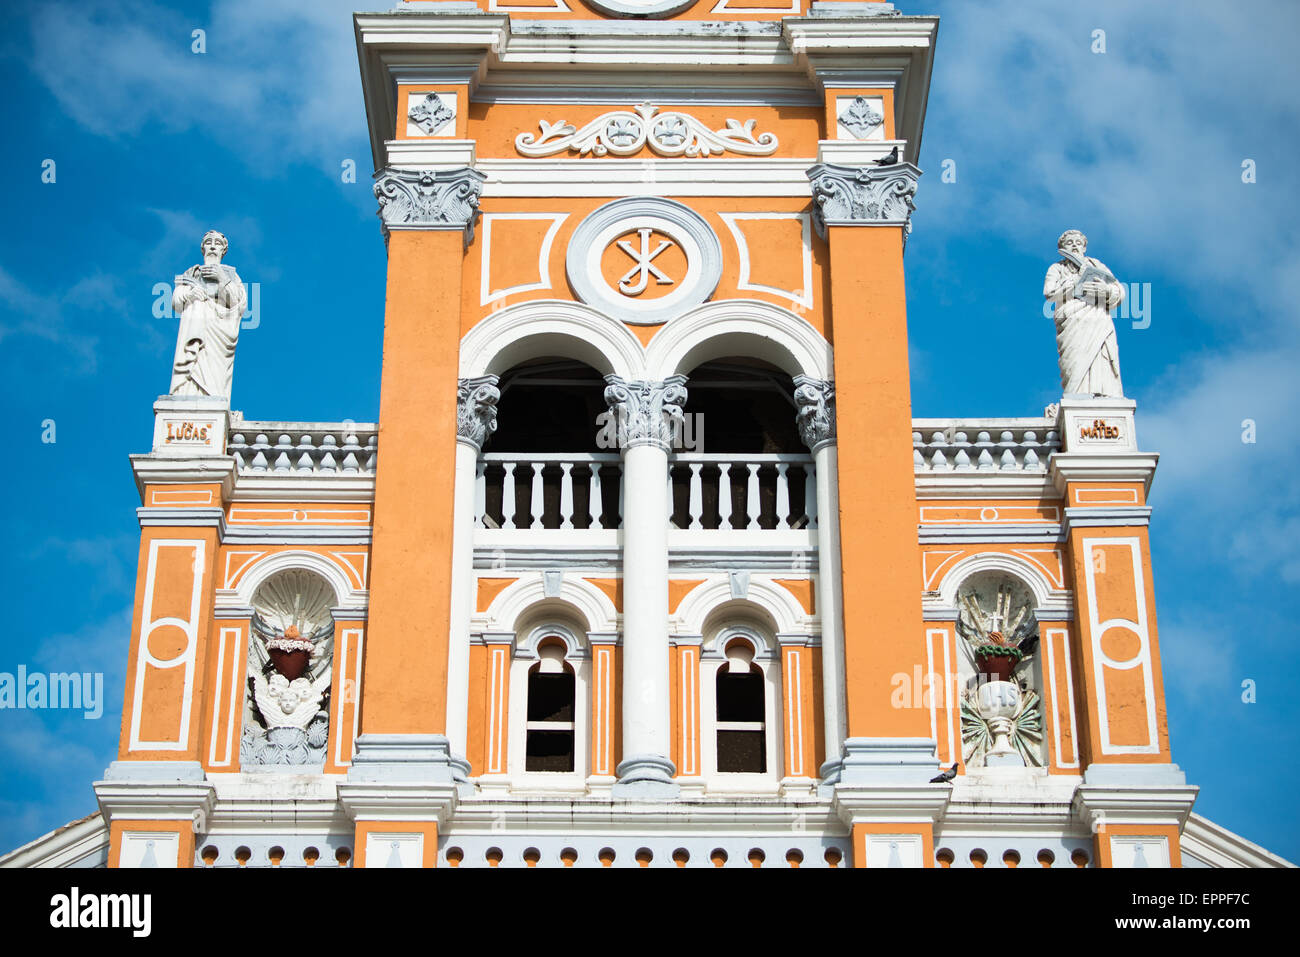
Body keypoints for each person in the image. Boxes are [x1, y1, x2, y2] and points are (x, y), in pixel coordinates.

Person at [1043, 229, 1125, 398]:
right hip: (1072, 318)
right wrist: (1075, 281)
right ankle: (1077, 394)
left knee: (1100, 354)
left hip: (1098, 316)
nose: (1074, 246)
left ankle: (1105, 393)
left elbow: (1119, 289)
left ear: (1084, 248)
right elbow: (1050, 293)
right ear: (1063, 247)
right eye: (1070, 243)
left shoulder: (1096, 264)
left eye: (1078, 243)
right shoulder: (1057, 268)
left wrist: (1105, 290)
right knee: (1076, 356)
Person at [169, 230, 246, 398]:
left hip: (218, 332)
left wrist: (222, 279)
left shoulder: (231, 276)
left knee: (213, 371)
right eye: (208, 242)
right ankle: (185, 390)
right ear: (203, 248)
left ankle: (211, 395)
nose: (212, 246)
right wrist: (190, 294)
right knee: (192, 366)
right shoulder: (192, 273)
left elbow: (238, 303)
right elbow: (176, 300)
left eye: (217, 243)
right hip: (194, 325)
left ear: (223, 251)